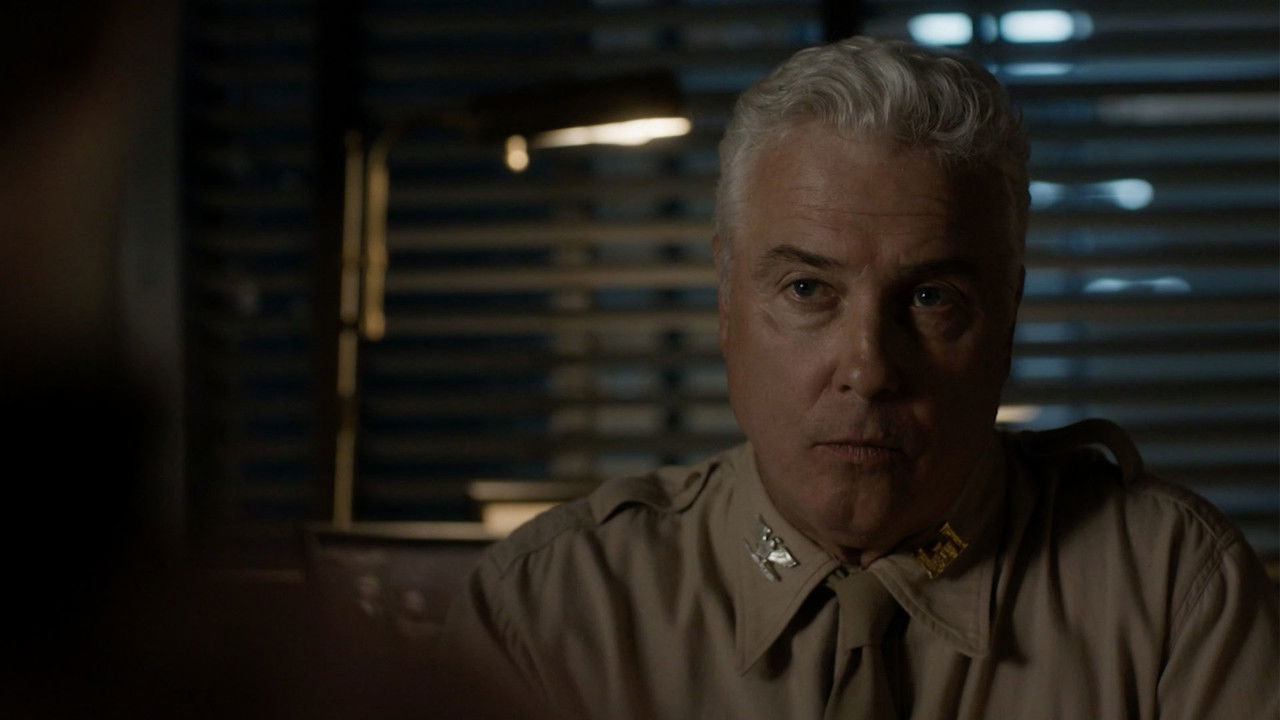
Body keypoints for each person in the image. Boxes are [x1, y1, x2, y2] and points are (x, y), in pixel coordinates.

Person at [433, 36, 1278, 720]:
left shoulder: (1171, 594)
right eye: (808, 289)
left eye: (932, 298)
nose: (870, 369)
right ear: (726, 304)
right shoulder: (553, 610)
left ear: (1009, 318)